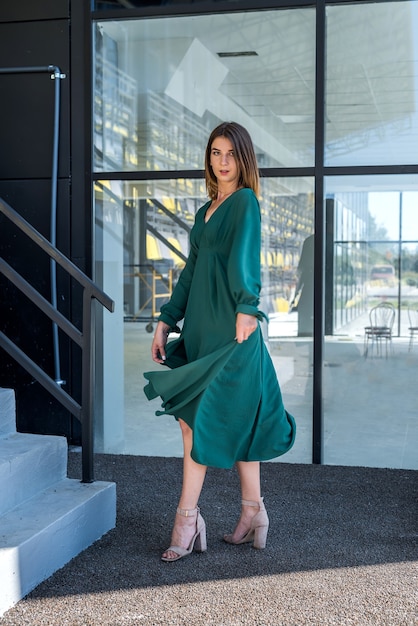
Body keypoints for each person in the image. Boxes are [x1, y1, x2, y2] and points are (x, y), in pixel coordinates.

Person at [144, 121, 295, 562]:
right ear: (208, 157)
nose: (222, 161)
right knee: (225, 419)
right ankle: (253, 513)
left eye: (230, 153)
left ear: (243, 159)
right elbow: (191, 272)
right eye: (215, 152)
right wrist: (166, 320)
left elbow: (248, 254)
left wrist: (248, 306)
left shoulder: (246, 202)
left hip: (234, 331)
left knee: (200, 422)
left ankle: (187, 520)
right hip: (202, 330)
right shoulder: (205, 209)